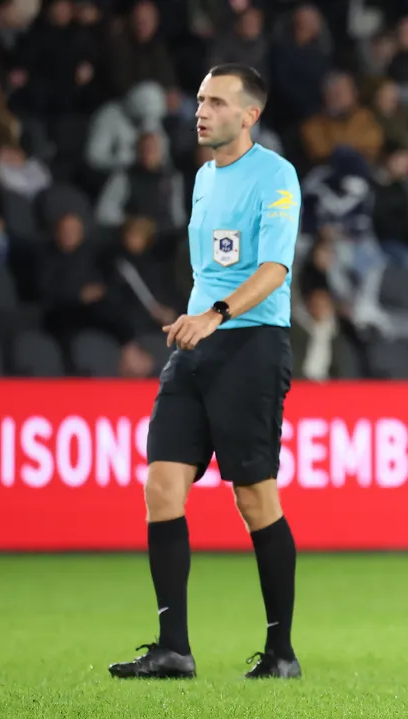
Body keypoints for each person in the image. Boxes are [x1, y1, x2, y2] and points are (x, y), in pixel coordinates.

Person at [108, 64, 303, 679]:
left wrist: (216, 314)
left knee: (254, 498)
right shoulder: (200, 178)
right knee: (160, 486)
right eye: (198, 100)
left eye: (217, 102)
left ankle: (281, 652)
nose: (201, 111)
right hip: (195, 348)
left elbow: (274, 268)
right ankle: (173, 649)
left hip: (250, 345)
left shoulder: (276, 176)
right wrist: (199, 319)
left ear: (249, 116)